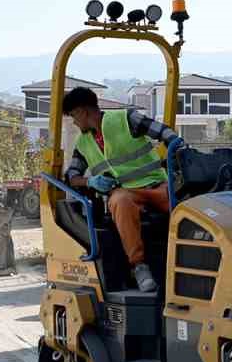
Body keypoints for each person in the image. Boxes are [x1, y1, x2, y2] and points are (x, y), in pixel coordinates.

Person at [61, 86, 183, 293]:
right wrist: (90, 182)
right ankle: (139, 267)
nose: (74, 122)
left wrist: (176, 151)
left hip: (157, 185)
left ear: (83, 111)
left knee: (185, 208)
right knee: (119, 201)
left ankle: (187, 263)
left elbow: (166, 133)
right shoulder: (83, 143)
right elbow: (71, 176)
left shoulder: (126, 119)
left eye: (73, 116)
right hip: (128, 194)